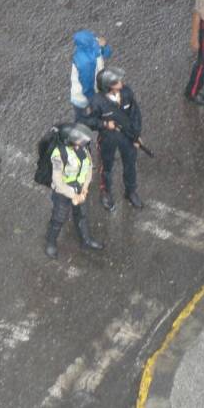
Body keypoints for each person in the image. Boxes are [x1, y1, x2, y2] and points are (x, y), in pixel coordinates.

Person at [84, 67, 143, 211]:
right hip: (108, 138)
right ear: (107, 86)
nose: (121, 83)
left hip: (127, 136)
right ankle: (106, 192)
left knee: (130, 164)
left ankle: (130, 191)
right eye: (117, 82)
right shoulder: (97, 101)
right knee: (107, 167)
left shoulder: (127, 92)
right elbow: (89, 122)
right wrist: (104, 124)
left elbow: (135, 114)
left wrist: (136, 135)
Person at [45, 123, 104, 259]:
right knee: (59, 218)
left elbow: (88, 167)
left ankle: (86, 240)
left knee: (82, 215)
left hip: (80, 189)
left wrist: (85, 187)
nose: (81, 144)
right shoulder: (59, 154)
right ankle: (51, 243)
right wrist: (74, 195)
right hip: (63, 193)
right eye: (77, 142)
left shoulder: (83, 148)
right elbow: (58, 182)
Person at [70, 30, 112, 123]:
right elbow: (87, 84)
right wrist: (93, 101)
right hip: (82, 96)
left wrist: (105, 46)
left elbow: (108, 53)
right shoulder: (84, 63)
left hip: (92, 90)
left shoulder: (93, 47)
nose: (96, 40)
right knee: (82, 120)